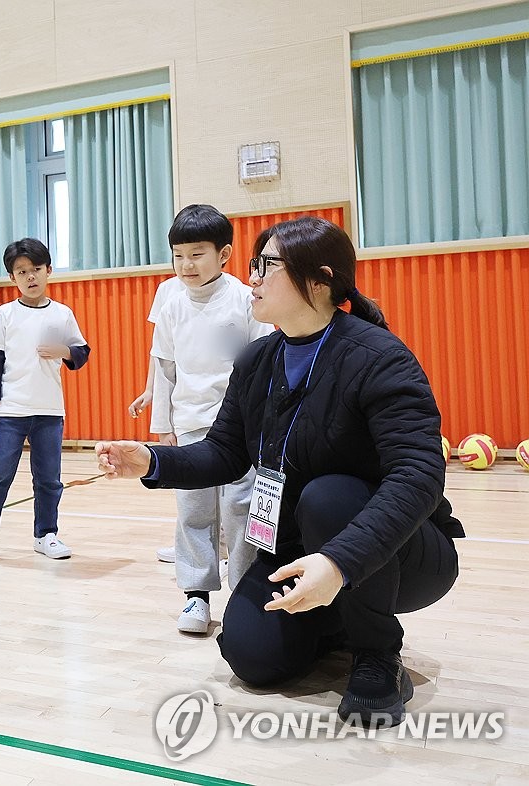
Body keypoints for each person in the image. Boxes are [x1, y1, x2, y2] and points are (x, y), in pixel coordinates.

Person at [95, 216, 462, 727]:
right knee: (252, 656)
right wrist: (153, 460)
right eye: (254, 266)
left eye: (267, 266)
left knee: (329, 497)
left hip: (402, 551)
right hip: (297, 544)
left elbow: (418, 476)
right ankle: (338, 616)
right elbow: (224, 452)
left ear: (320, 279)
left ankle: (376, 651)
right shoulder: (256, 361)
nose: (253, 279)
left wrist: (338, 563)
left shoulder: (379, 358)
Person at [150, 205, 273, 634]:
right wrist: (163, 425)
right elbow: (165, 369)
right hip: (192, 428)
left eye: (197, 254)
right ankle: (196, 596)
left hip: (239, 429)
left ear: (223, 254)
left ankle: (243, 596)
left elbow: (263, 367)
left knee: (241, 511)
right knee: (193, 511)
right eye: (179, 255)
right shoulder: (171, 307)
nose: (186, 264)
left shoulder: (244, 300)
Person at [0, 238, 89, 566]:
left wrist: (64, 352)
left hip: (49, 410)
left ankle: (46, 534)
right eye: (22, 272)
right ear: (12, 277)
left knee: (49, 478)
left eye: (36, 269)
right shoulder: (5, 315)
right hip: (12, 410)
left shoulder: (62, 314)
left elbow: (82, 351)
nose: (30, 277)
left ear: (48, 271)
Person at [128, 274, 185, 563]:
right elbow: (159, 352)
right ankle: (190, 546)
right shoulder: (167, 290)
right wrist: (150, 390)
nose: (187, 263)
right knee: (186, 477)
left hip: (212, 404)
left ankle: (224, 547)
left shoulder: (234, 293)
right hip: (178, 402)